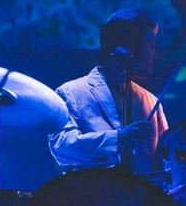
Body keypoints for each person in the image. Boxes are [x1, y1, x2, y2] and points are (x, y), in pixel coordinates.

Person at [48, 9, 168, 175]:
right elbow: (62, 148)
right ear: (126, 47)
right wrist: (118, 139)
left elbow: (165, 163)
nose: (155, 56)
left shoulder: (152, 102)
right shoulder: (72, 93)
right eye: (152, 47)